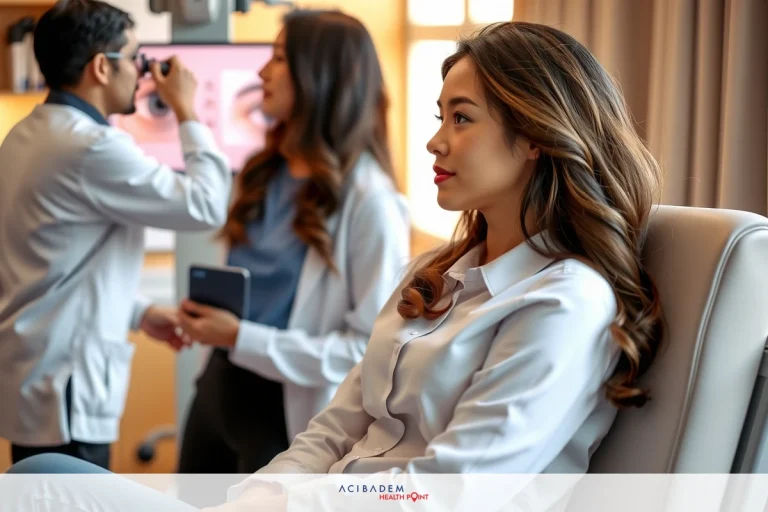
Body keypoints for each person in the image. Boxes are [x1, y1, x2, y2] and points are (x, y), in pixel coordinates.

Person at [0, 20, 664, 511]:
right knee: (39, 478)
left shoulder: (562, 304)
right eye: (440, 116)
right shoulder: (436, 270)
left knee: (42, 483)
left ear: (537, 139)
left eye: (461, 119)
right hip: (285, 461)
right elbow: (336, 426)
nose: (435, 139)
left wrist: (294, 501)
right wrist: (262, 497)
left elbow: (440, 490)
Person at [173, 9, 411, 478]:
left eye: (278, 58)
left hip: (285, 414)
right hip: (219, 384)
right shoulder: (264, 173)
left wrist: (242, 337)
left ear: (318, 75)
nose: (262, 71)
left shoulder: (372, 204)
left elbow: (367, 349)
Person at [0, 0, 231, 470]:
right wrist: (188, 110)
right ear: (102, 67)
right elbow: (206, 204)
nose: (143, 74)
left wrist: (141, 312)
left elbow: (57, 269)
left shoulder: (27, 135)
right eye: (138, 60)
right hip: (64, 392)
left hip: (38, 377)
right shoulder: (90, 146)